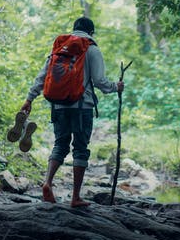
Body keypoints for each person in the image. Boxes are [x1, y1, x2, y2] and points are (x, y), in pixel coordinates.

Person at [20, 17, 124, 207]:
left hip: (58, 106)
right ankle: (75, 197)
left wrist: (29, 99)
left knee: (60, 145)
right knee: (81, 149)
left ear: (74, 29)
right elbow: (100, 81)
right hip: (81, 107)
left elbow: (43, 76)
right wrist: (116, 87)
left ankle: (47, 183)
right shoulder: (91, 49)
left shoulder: (60, 48)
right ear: (91, 32)